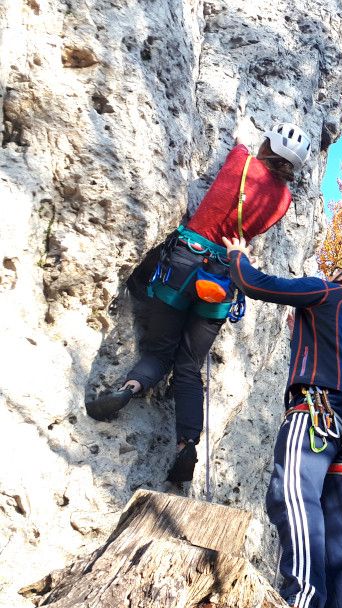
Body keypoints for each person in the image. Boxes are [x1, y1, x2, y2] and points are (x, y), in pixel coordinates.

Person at [85, 122, 312, 486]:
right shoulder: (284, 201)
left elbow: (237, 144)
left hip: (184, 263)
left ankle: (129, 388)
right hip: (223, 280)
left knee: (159, 350)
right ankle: (187, 444)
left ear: (270, 144)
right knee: (189, 367)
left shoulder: (242, 162)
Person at [222, 233, 342, 608]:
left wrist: (236, 256)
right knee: (341, 536)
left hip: (318, 409)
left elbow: (256, 283)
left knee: (293, 497)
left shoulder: (326, 291)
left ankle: (299, 605)